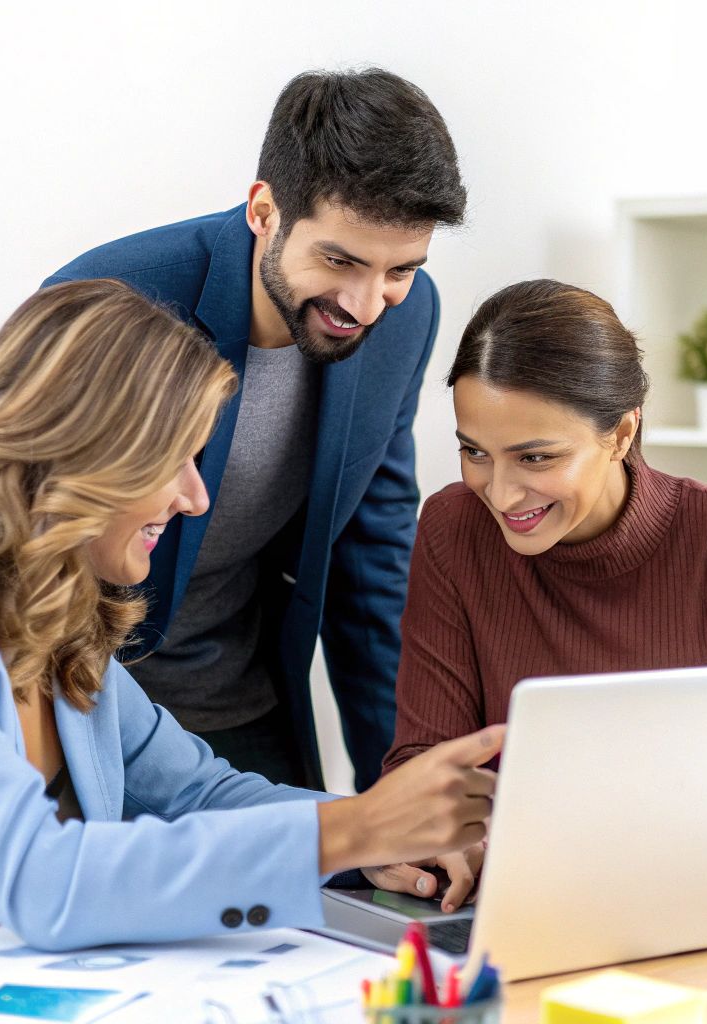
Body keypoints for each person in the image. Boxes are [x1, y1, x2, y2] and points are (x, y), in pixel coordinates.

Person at [0, 281, 501, 955]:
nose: (197, 499)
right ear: (92, 453)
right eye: (178, 461)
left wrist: (386, 832)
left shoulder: (58, 615)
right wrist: (352, 833)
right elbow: (38, 876)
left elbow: (202, 794)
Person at [43, 68, 466, 792]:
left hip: (242, 700)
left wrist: (400, 784)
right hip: (82, 704)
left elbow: (372, 554)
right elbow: (29, 534)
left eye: (400, 268)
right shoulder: (111, 297)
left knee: (328, 890)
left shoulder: (408, 317)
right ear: (264, 210)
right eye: (340, 260)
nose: (366, 305)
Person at [373, 279, 707, 910]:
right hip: (520, 914)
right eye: (474, 452)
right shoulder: (454, 527)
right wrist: (425, 838)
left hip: (693, 918)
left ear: (622, 434)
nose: (501, 493)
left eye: (537, 458)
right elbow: (425, 767)